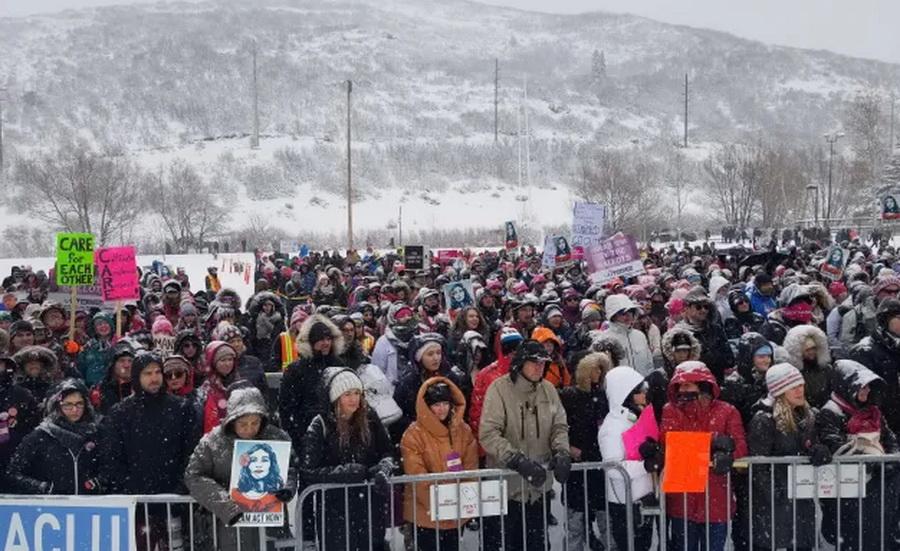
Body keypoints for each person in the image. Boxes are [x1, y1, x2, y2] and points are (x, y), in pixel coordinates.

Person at [99, 351, 198, 551]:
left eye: (157, 372)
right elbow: (112, 459)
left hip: (174, 502)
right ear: (137, 377)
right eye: (147, 373)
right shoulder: (120, 413)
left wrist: (180, 488)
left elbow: (192, 453)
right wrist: (131, 491)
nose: (154, 378)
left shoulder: (181, 408)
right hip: (136, 505)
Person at [479, 340, 571, 551]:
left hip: (539, 488)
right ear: (520, 363)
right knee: (509, 544)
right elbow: (488, 433)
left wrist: (561, 452)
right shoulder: (499, 389)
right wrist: (516, 460)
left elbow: (559, 425)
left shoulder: (548, 389)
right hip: (507, 488)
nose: (540, 367)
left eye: (543, 363)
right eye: (534, 363)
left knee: (537, 544)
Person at [185, 385, 297, 551]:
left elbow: (291, 467)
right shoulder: (213, 442)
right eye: (243, 424)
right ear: (232, 420)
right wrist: (225, 504)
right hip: (227, 525)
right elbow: (193, 476)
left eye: (255, 423)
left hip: (270, 524)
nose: (250, 429)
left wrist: (287, 487)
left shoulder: (276, 437)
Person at [300, 367, 396, 551]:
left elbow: (388, 452)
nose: (354, 399)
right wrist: (346, 472)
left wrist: (382, 469)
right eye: (347, 394)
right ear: (336, 399)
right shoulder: (320, 424)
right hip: (334, 509)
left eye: (357, 393)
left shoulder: (370, 417)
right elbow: (308, 470)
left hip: (369, 505)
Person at [661, 361, 747, 551]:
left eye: (687, 384)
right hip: (682, 499)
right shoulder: (670, 410)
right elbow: (671, 443)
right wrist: (712, 441)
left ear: (702, 384)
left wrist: (729, 456)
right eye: (680, 386)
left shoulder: (727, 411)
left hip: (716, 498)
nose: (682, 390)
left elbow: (740, 446)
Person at [816, 359, 900, 550]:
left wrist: (891, 461)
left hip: (882, 487)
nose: (867, 391)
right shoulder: (830, 413)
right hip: (852, 491)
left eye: (868, 387)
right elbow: (837, 448)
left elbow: (890, 440)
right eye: (861, 387)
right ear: (847, 386)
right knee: (856, 538)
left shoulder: (874, 412)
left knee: (882, 535)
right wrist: (872, 462)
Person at [747, 363, 832, 551]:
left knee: (803, 544)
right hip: (775, 503)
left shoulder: (809, 416)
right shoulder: (763, 419)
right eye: (793, 387)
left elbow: (814, 445)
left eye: (801, 385)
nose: (800, 390)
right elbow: (758, 466)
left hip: (802, 499)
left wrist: (820, 450)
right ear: (780, 391)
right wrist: (775, 495)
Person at [400, 378, 478, 551]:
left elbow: (471, 469)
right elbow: (418, 478)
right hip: (425, 516)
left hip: (456, 513)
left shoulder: (463, 431)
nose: (442, 409)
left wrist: (462, 503)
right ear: (426, 406)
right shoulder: (413, 435)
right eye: (436, 405)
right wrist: (442, 507)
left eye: (445, 403)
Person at [597, 365, 657, 551]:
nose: (645, 394)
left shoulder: (635, 418)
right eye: (640, 390)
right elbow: (614, 469)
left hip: (642, 498)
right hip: (625, 504)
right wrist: (645, 466)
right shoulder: (612, 427)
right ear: (626, 394)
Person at [7, 379, 103, 495]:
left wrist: (97, 483)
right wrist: (43, 488)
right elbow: (13, 473)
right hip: (50, 509)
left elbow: (110, 468)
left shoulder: (96, 434)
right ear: (57, 406)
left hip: (91, 508)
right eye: (68, 404)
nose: (75, 410)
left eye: (79, 404)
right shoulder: (40, 436)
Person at [560, 352, 611, 551]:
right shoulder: (569, 396)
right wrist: (567, 447)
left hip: (600, 465)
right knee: (575, 523)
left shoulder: (604, 396)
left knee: (605, 519)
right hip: (578, 468)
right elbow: (557, 427)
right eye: (595, 368)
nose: (599, 372)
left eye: (601, 368)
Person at [279, 314, 346, 448]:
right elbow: (286, 407)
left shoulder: (338, 364)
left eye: (328, 339)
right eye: (320, 339)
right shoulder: (296, 370)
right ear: (310, 342)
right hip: (305, 430)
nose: (326, 343)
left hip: (337, 431)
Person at [851, 298, 900, 433]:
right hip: (882, 424)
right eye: (899, 317)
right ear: (885, 320)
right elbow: (863, 395)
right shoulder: (864, 350)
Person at [676, 286, 735, 383]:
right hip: (692, 383)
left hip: (716, 381)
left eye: (706, 307)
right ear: (687, 308)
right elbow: (681, 364)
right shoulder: (679, 333)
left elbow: (729, 359)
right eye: (698, 307)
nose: (703, 310)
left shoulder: (716, 329)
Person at [602, 294, 654, 375]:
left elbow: (649, 363)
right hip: (620, 385)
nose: (628, 316)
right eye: (623, 313)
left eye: (630, 312)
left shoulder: (640, 335)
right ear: (613, 315)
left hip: (642, 384)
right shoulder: (605, 339)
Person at [783, 325, 832, 409]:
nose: (811, 352)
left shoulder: (826, 369)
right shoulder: (794, 374)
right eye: (807, 350)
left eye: (813, 348)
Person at [371, 302, 418, 386]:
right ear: (393, 319)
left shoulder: (418, 338)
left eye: (409, 314)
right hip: (391, 390)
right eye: (402, 315)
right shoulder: (384, 341)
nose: (407, 318)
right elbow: (377, 371)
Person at [90, 340, 135, 414]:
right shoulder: (101, 390)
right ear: (113, 365)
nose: (127, 365)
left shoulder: (140, 387)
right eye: (122, 361)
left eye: (130, 361)